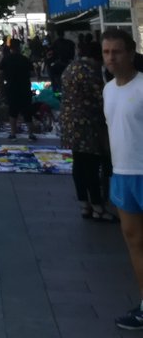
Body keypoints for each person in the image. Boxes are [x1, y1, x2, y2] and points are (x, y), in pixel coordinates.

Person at [102, 28, 143, 329]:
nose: (111, 58)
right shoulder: (108, 90)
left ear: (130, 53)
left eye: (116, 51)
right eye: (106, 52)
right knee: (134, 241)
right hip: (122, 174)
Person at [60, 42, 115, 223]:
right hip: (88, 124)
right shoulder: (90, 72)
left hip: (70, 123)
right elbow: (101, 98)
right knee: (91, 165)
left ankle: (84, 204)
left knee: (79, 164)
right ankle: (98, 206)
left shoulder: (70, 68)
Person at [0, 39, 36, 141]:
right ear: (19, 47)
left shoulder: (6, 59)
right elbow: (33, 73)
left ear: (10, 47)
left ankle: (13, 134)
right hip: (24, 87)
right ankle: (31, 134)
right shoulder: (25, 59)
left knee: (13, 111)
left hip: (11, 88)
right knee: (27, 111)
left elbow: (0, 73)